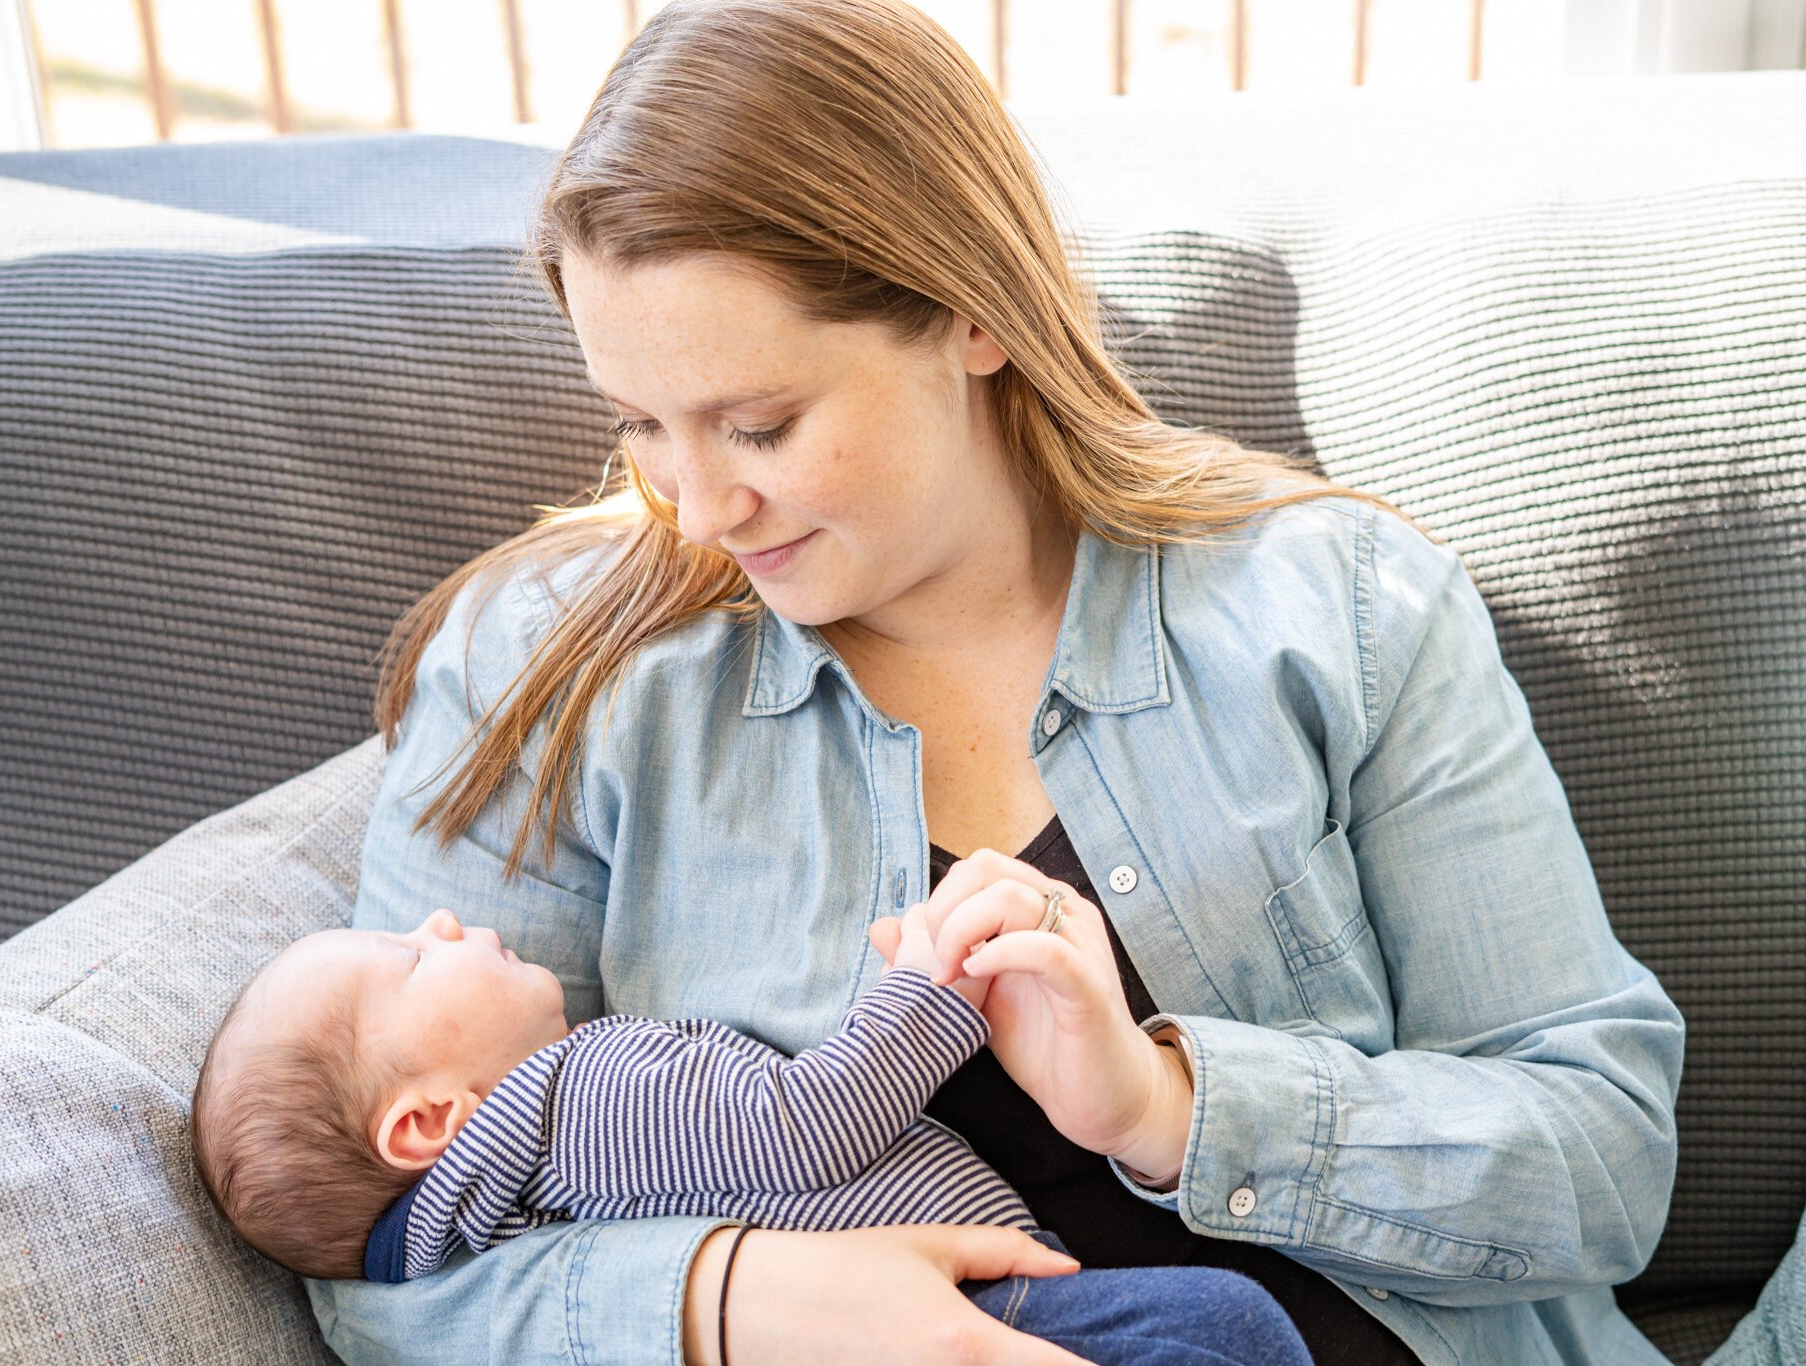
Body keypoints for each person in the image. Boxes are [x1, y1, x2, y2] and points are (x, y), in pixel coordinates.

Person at [304, 0, 1688, 1362]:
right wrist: (725, 1302)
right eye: (642, 424)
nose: (702, 505)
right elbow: (386, 1260)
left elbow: (1602, 1154)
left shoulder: (1345, 609)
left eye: (762, 423)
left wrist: (1168, 1101)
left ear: (972, 315)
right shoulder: (550, 672)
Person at [190, 905, 1313, 1366]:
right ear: (428, 1119)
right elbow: (798, 1132)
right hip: (962, 1317)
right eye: (410, 957)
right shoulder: (578, 1093)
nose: (439, 919)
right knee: (1223, 1325)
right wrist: (929, 984)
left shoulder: (489, 1225)